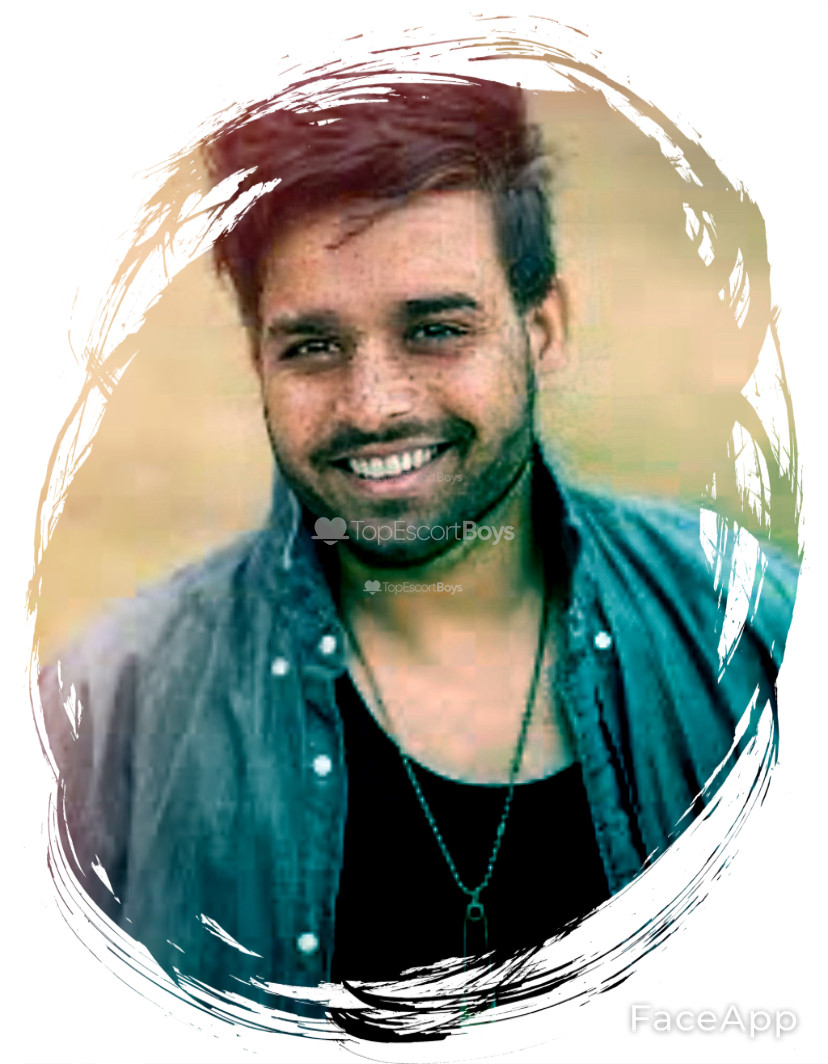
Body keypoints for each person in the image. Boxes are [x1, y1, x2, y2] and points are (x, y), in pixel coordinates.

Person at [38, 76, 797, 1023]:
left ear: (542, 329)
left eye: (435, 330)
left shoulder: (760, 636)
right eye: (313, 347)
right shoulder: (103, 724)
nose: (374, 406)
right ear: (258, 362)